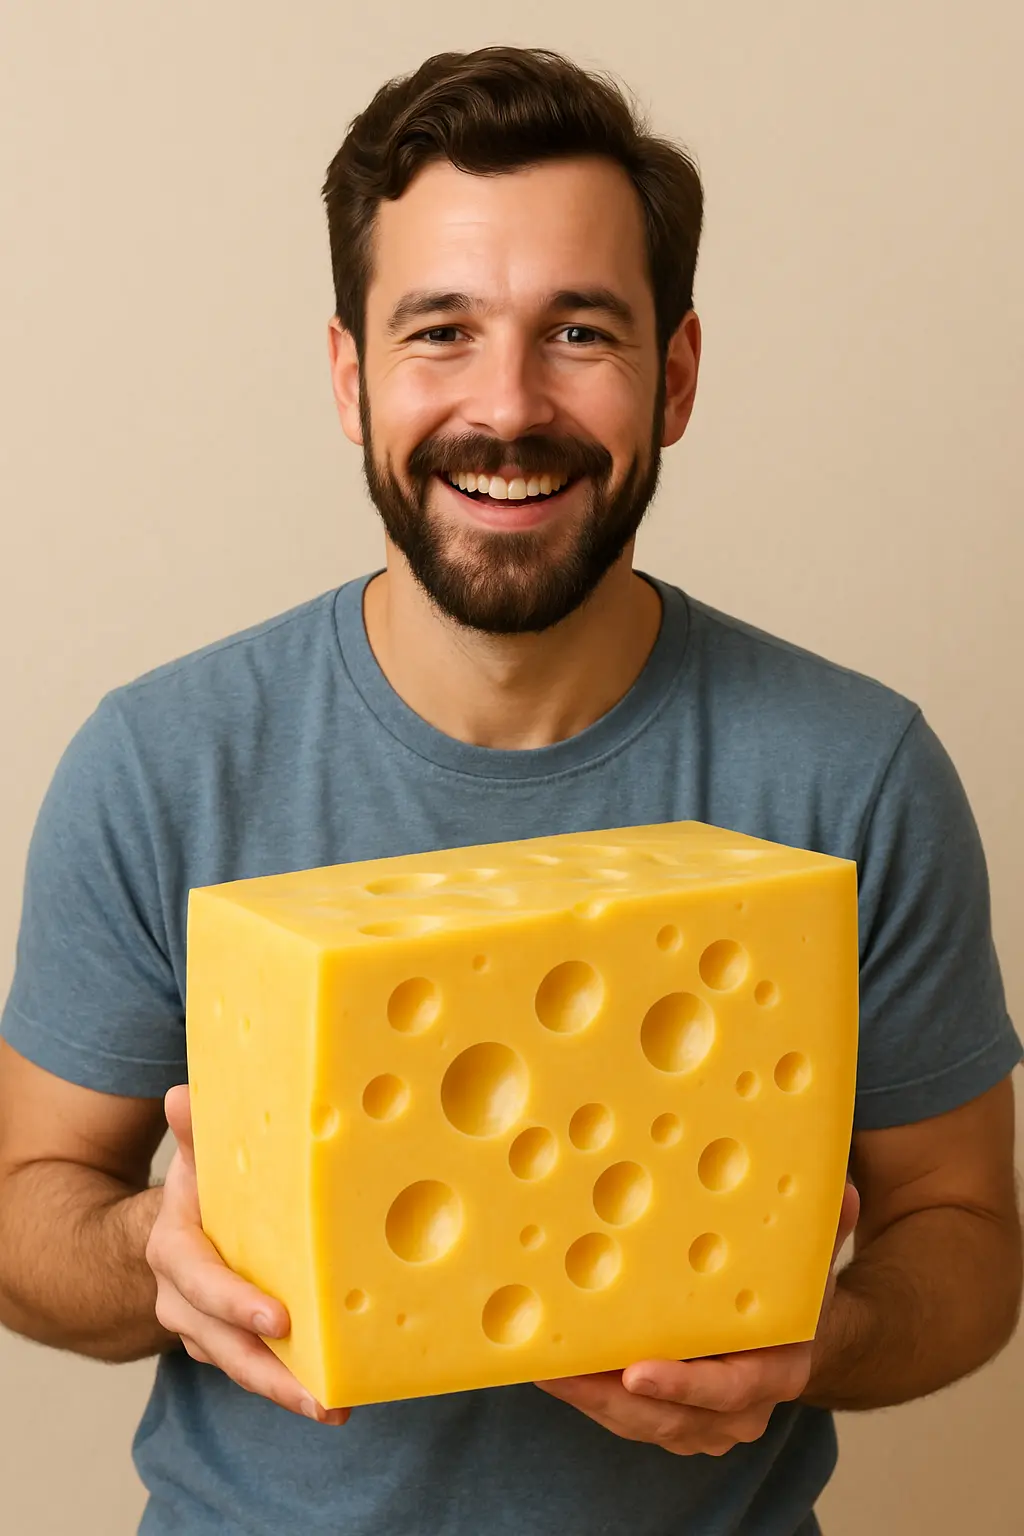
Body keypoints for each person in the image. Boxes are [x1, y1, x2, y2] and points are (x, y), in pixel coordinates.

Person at [0, 43, 1020, 1536]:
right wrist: (153, 1245)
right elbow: (28, 1209)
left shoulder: (852, 773)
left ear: (672, 377)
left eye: (580, 332)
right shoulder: (163, 762)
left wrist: (825, 1344)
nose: (507, 404)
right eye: (441, 332)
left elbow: (969, 1240)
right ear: (352, 378)